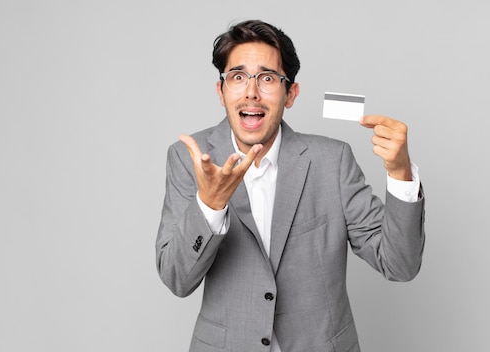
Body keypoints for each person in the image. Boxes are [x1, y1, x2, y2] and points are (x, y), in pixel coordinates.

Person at [156, 19, 425, 352]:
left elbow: (399, 264)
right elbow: (177, 279)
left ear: (291, 94)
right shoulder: (190, 158)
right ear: (221, 91)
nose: (251, 91)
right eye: (238, 77)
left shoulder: (333, 160)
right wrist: (210, 206)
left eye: (267, 78)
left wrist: (400, 173)